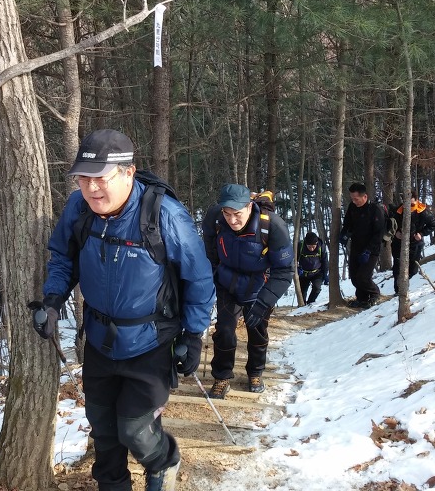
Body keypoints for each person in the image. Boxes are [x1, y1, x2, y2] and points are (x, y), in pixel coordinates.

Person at [36, 129, 216, 491]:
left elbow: (199, 278)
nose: (91, 189)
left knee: (135, 429)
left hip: (151, 343)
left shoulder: (164, 216)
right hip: (99, 340)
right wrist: (53, 301)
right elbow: (63, 257)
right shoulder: (79, 209)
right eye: (83, 178)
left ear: (128, 173)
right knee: (104, 431)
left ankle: (163, 462)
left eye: (100, 178)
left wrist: (194, 335)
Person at [202, 184, 294, 399]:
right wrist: (212, 277)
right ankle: (222, 376)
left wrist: (264, 302)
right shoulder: (215, 219)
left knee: (257, 330)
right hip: (227, 283)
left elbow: (284, 270)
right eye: (227, 214)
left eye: (237, 214)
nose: (232, 220)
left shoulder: (272, 226)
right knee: (224, 331)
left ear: (249, 207)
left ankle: (255, 372)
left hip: (259, 285)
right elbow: (209, 252)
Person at [339, 183, 387, 309]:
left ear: (364, 197)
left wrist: (369, 250)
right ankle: (362, 299)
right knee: (354, 277)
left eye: (356, 199)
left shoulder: (375, 210)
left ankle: (375, 294)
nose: (354, 201)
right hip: (356, 246)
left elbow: (379, 233)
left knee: (363, 277)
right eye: (352, 199)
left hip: (371, 249)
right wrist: (344, 234)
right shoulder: (352, 207)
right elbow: (347, 223)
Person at [390, 192, 435, 295]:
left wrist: (421, 233)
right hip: (399, 243)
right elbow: (389, 224)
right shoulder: (397, 211)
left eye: (411, 204)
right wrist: (396, 232)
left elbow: (433, 224)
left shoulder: (423, 211)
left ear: (416, 200)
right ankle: (399, 292)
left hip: (415, 243)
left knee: (413, 269)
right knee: (398, 267)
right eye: (406, 204)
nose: (408, 207)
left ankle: (406, 287)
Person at [297, 232, 329, 304]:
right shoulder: (300, 246)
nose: (311, 249)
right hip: (303, 273)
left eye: (313, 246)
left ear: (316, 243)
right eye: (309, 247)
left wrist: (325, 274)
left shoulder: (321, 246)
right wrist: (296, 269)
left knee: (317, 288)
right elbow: (294, 259)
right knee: (302, 292)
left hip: (317, 272)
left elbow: (325, 261)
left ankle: (310, 303)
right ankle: (302, 306)